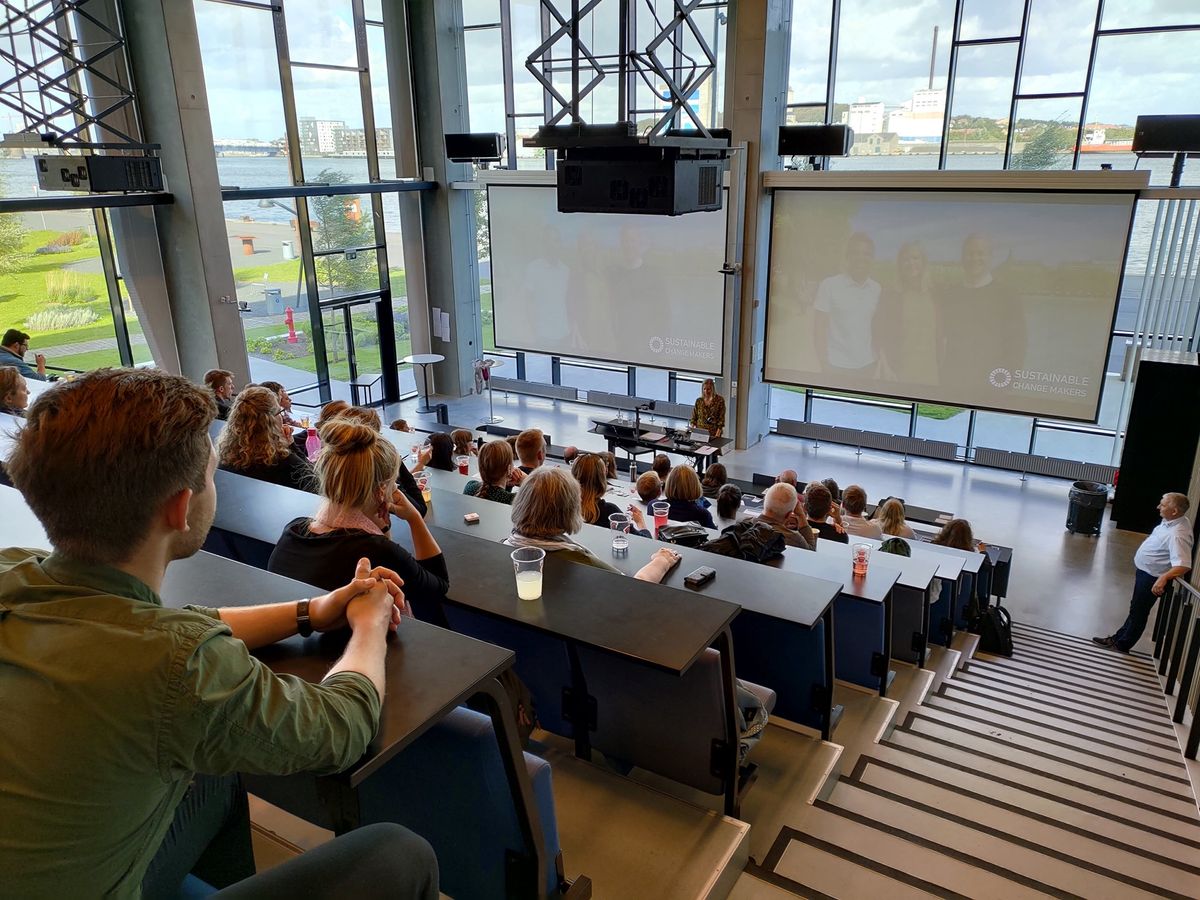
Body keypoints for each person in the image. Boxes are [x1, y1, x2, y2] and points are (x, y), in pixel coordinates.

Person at [0, 368, 437, 898]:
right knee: (400, 851)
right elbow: (342, 729)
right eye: (210, 476)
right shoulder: (176, 666)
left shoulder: (16, 572)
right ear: (181, 508)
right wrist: (367, 624)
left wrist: (313, 610)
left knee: (210, 775)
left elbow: (166, 629)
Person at [268, 417, 449, 625]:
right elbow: (439, 586)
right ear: (382, 490)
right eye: (392, 484)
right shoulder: (378, 552)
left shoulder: (293, 531)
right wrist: (415, 518)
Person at [505, 467, 679, 581]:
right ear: (571, 509)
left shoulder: (506, 545)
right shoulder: (581, 562)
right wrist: (661, 561)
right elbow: (634, 589)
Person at [1094, 493, 1194, 654]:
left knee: (1139, 612)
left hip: (1152, 577)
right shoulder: (1173, 521)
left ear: (1174, 511)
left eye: (1163, 505)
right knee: (1135, 609)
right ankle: (1118, 638)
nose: (1158, 507)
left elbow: (1183, 565)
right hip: (1146, 572)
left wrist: (1164, 577)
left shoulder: (1178, 534)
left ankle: (1122, 645)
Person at [937, 233, 1027, 385]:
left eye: (980, 253)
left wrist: (1007, 381)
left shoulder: (1008, 295)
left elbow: (1018, 344)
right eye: (970, 254)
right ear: (962, 258)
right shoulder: (950, 294)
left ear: (991, 257)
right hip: (953, 382)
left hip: (992, 385)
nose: (974, 259)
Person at [218, 385, 316, 492]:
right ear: (269, 421)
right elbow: (316, 483)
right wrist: (292, 446)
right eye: (279, 412)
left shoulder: (225, 457)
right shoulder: (282, 461)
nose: (281, 417)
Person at [812, 232, 881, 376]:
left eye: (866, 254)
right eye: (856, 253)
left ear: (872, 259)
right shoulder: (829, 285)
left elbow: (878, 329)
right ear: (848, 257)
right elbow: (819, 328)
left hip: (868, 366)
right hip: (836, 366)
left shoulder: (877, 289)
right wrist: (824, 363)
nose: (861, 258)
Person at [754, 483, 815, 550]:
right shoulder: (793, 538)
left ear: (764, 501)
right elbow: (810, 550)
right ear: (788, 515)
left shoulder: (744, 524)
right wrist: (801, 515)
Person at [463, 439, 519, 505]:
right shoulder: (513, 499)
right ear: (509, 468)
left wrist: (508, 486)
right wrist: (525, 480)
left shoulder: (470, 486)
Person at [575, 452, 623, 527]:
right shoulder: (611, 512)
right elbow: (643, 538)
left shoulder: (562, 507)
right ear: (602, 479)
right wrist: (641, 523)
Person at [664, 465, 716, 529]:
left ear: (669, 483)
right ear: (695, 485)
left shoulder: (656, 507)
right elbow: (715, 534)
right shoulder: (703, 514)